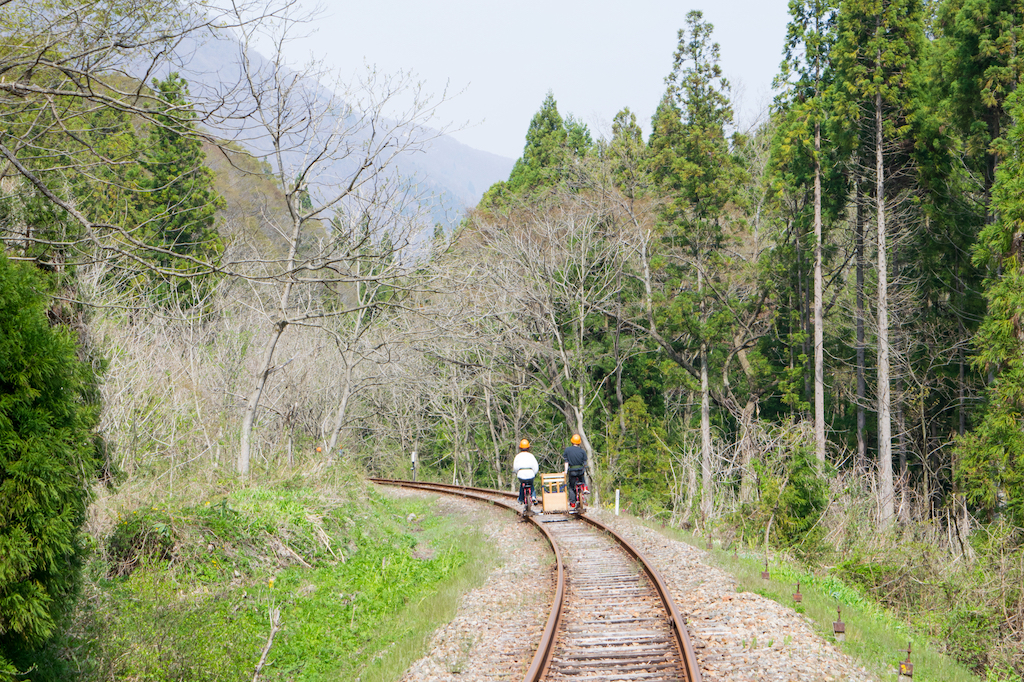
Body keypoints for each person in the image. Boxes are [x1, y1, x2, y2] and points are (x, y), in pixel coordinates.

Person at [563, 433, 587, 509]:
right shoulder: (582, 451)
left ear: (572, 441)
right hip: (580, 471)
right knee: (582, 478)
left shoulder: (567, 450)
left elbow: (566, 462)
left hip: (572, 471)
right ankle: (585, 487)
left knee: (571, 487)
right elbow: (585, 462)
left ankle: (572, 502)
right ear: (579, 442)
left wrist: (565, 471)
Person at [512, 438, 539, 505]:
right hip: (530, 473)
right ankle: (533, 497)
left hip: (521, 474)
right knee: (531, 484)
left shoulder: (517, 456)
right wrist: (534, 473)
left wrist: (517, 473)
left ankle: (521, 499)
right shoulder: (531, 456)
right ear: (528, 448)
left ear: (520, 447)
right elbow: (536, 467)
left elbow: (515, 467)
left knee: (522, 484)